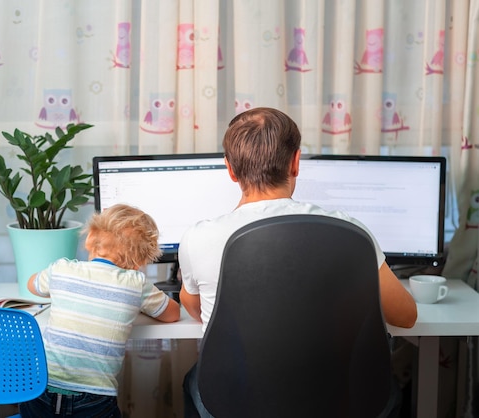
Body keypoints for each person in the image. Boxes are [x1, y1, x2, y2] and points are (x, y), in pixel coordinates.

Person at [178, 107, 418, 418]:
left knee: (193, 383)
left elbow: (196, 309)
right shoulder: (350, 232)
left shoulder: (198, 238)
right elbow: (406, 316)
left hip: (236, 404)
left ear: (231, 170)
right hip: (341, 403)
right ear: (295, 162)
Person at [19, 203, 180, 418]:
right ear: (139, 262)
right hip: (94, 399)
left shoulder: (61, 269)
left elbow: (32, 285)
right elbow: (172, 314)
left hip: (41, 391)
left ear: (89, 240)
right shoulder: (135, 283)